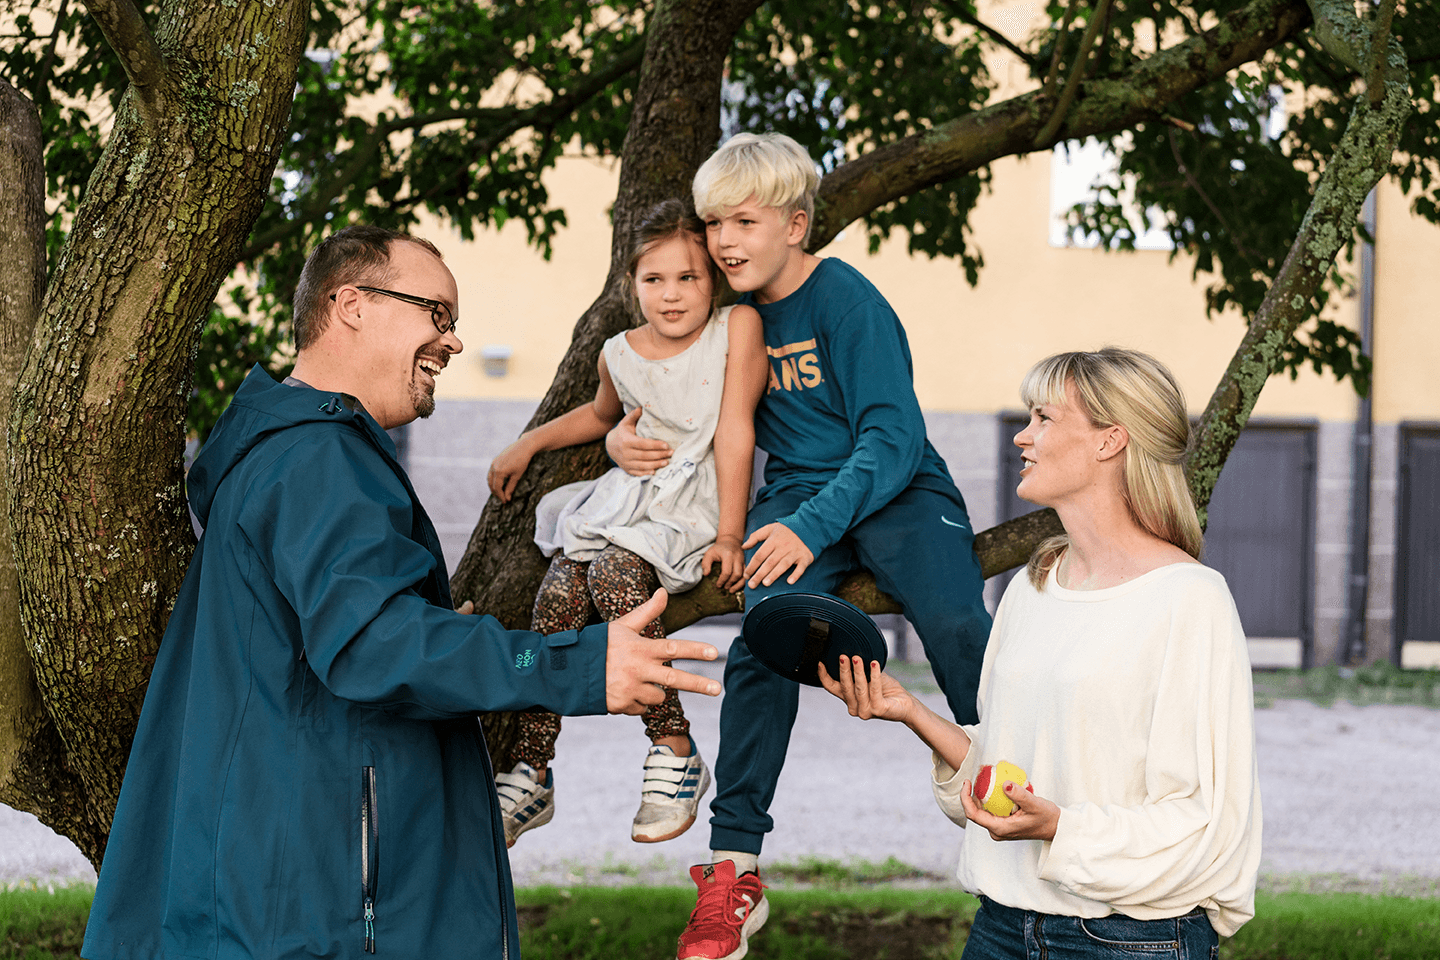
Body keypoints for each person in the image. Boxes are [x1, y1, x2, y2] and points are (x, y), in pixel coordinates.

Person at [80, 225, 723, 960]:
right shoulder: (316, 457)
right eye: (437, 314)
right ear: (351, 304)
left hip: (294, 897)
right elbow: (372, 645)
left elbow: (341, 638)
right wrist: (575, 665)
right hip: (319, 916)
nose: (451, 342)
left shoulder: (295, 452)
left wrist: (433, 631)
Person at [608, 133, 992, 960]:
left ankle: (993, 771)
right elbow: (652, 393)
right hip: (794, 498)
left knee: (957, 620)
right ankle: (734, 870)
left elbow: (891, 437)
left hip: (894, 487)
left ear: (796, 223)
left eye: (744, 221)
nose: (724, 242)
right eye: (714, 223)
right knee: (763, 643)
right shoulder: (720, 313)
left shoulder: (847, 302)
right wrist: (614, 445)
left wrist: (812, 524)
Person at [821, 348, 1263, 959]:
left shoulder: (1189, 599)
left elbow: (1204, 821)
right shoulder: (1035, 585)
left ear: (1110, 440)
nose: (1022, 437)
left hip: (1128, 939)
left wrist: (1061, 826)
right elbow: (1008, 768)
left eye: (1044, 418)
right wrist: (912, 713)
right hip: (1002, 928)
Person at [485, 199, 767, 847]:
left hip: (693, 501)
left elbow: (734, 430)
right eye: (654, 280)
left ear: (713, 281)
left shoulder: (737, 329)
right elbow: (596, 414)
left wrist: (730, 533)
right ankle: (532, 768)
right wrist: (527, 444)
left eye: (688, 278)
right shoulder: (619, 352)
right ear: (630, 285)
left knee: (613, 574)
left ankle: (673, 748)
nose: (671, 295)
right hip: (629, 497)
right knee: (557, 590)